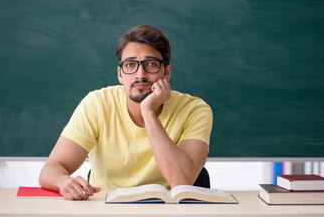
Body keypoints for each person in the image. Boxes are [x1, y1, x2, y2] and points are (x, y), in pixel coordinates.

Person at [39, 25, 213, 200]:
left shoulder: (194, 110)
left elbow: (181, 182)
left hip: (166, 210)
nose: (140, 75)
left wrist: (148, 111)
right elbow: (50, 169)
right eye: (130, 65)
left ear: (166, 72)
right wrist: (63, 182)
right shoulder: (98, 104)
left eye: (151, 64)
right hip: (107, 208)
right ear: (120, 74)